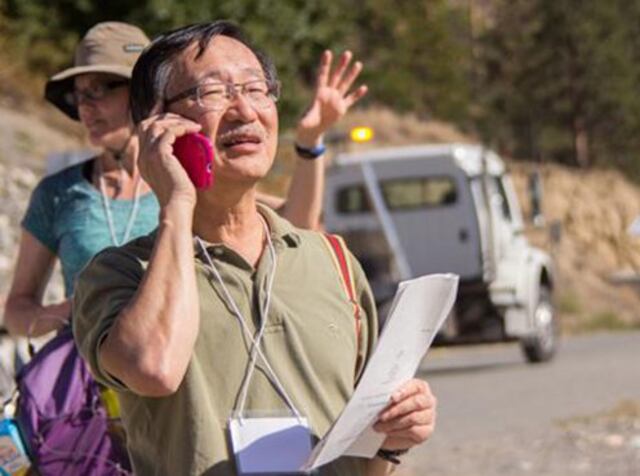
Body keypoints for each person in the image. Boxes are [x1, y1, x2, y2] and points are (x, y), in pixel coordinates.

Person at [72, 20, 436, 476]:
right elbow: (154, 368)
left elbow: (363, 457)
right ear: (155, 127)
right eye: (212, 93)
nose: (245, 109)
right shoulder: (119, 276)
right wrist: (177, 202)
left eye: (256, 89)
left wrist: (391, 441)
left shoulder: (333, 261)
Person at [4, 21, 356, 338]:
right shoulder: (58, 193)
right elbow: (16, 310)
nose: (86, 107)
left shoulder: (195, 178)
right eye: (79, 96)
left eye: (103, 88)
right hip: (88, 393)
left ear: (144, 95)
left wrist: (310, 143)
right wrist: (78, 313)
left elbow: (297, 228)